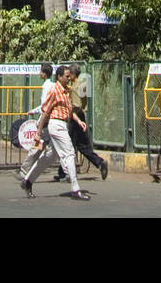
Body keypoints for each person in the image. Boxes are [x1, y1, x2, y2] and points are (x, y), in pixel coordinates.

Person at [19, 64, 91, 201]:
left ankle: (27, 181)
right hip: (56, 124)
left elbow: (69, 111)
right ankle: (75, 189)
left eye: (69, 76)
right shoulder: (55, 90)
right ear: (59, 77)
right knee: (69, 153)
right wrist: (38, 132)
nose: (69, 78)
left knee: (49, 156)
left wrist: (78, 121)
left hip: (63, 124)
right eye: (66, 76)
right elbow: (46, 111)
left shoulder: (65, 91)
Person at [54, 62, 107, 182]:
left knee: (69, 144)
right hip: (79, 114)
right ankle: (99, 162)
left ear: (72, 75)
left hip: (76, 114)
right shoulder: (78, 84)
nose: (67, 78)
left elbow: (76, 103)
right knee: (80, 145)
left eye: (69, 76)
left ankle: (64, 173)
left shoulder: (77, 85)